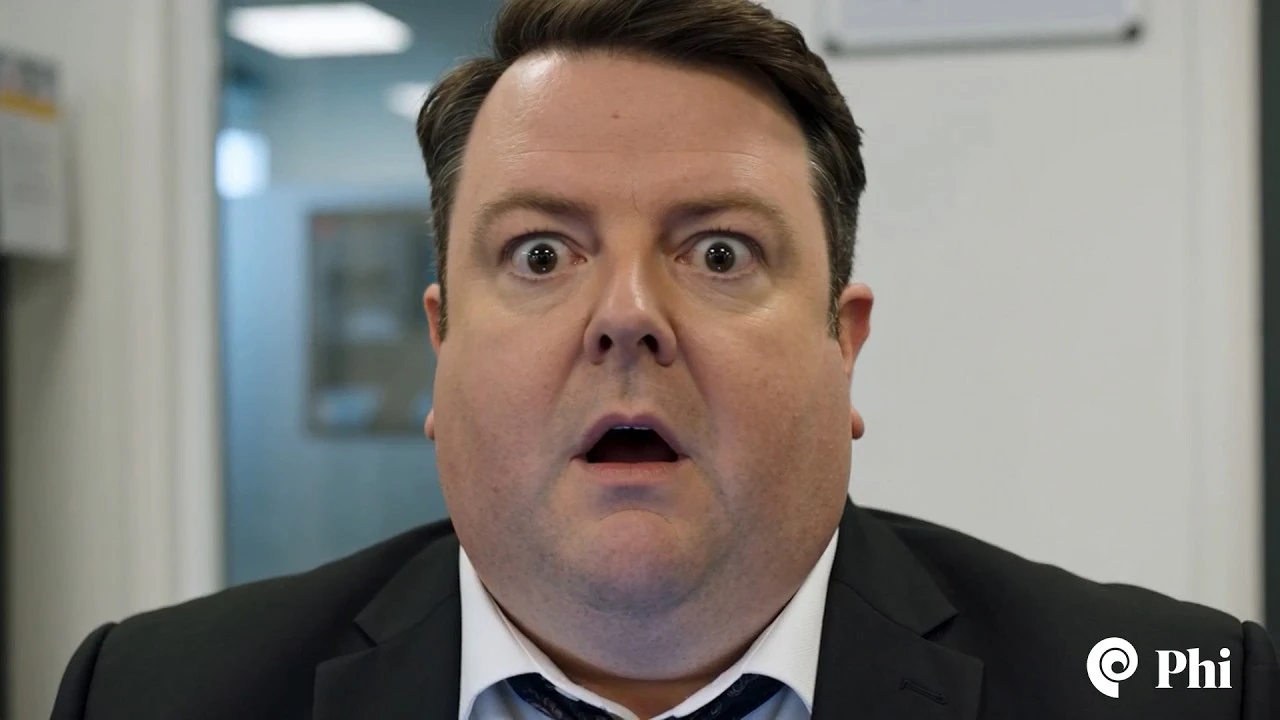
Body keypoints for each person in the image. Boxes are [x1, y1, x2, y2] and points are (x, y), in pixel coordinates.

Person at [51, 0, 1278, 718]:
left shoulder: (1183, 696)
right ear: (439, 344)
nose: (627, 315)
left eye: (720, 253)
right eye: (539, 254)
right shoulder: (153, 697)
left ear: (841, 343)